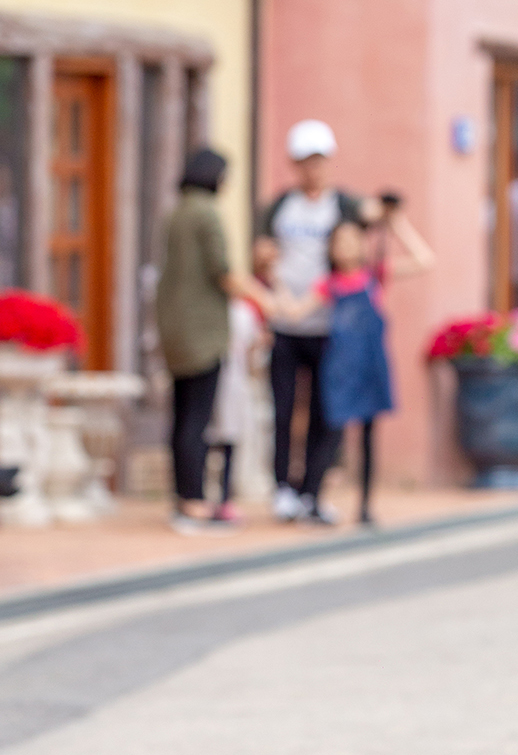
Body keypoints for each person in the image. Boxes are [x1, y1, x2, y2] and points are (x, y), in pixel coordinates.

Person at [267, 205, 434, 525]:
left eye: (351, 240)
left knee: (369, 435)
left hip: (370, 366)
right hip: (340, 369)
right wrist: (276, 279)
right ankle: (311, 497)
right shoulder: (329, 284)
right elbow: (295, 312)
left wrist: (396, 224)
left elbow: (424, 260)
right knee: (331, 434)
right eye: (338, 241)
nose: (345, 247)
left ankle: (366, 505)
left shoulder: (375, 276)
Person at [259, 120, 372, 525]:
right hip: (287, 325)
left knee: (328, 413)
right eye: (306, 162)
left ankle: (312, 491)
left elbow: (369, 228)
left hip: (330, 327)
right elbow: (261, 253)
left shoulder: (342, 206)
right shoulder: (279, 207)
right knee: (284, 411)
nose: (314, 169)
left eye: (320, 161)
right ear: (295, 164)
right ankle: (283, 489)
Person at [155, 148, 256, 534]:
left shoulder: (176, 212)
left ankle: (183, 498)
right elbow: (223, 272)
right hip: (203, 331)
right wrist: (267, 300)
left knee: (181, 417)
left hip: (174, 328)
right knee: (197, 420)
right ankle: (196, 503)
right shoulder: (207, 213)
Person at [203, 237, 276, 523]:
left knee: (234, 437)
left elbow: (253, 347)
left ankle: (226, 495)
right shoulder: (215, 310)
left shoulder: (245, 310)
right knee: (211, 436)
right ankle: (211, 494)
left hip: (238, 382)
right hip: (216, 379)